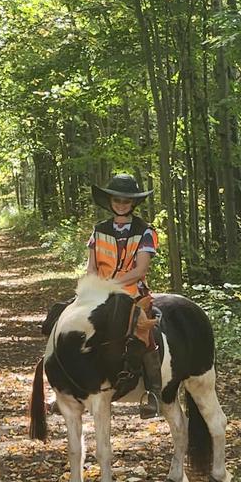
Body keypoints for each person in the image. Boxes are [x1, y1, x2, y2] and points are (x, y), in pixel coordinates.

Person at [89, 173, 161, 418]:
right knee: (68, 319)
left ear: (133, 204)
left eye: (126, 201)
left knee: (145, 329)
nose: (121, 205)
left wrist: (110, 284)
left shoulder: (145, 232)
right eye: (117, 200)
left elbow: (140, 270)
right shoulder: (99, 230)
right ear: (110, 202)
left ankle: (153, 392)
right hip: (99, 291)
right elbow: (91, 267)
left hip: (132, 292)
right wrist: (92, 285)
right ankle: (68, 386)